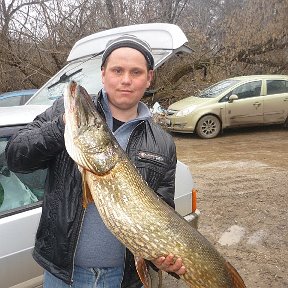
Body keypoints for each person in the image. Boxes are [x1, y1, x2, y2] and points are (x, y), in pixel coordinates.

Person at [5, 34, 185, 287]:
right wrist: (62, 127)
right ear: (103, 74)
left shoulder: (163, 144)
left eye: (135, 72)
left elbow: (163, 212)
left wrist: (163, 261)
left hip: (121, 279)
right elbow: (16, 157)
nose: (125, 80)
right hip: (63, 276)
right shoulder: (65, 113)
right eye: (117, 70)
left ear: (149, 78)